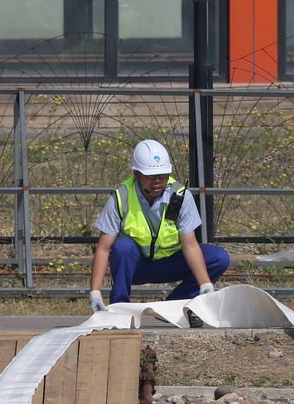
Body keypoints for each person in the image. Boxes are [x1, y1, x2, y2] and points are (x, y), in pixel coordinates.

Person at [88, 138, 229, 324]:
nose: (157, 181)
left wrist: (205, 286)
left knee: (218, 257)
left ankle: (178, 306)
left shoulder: (179, 196)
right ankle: (120, 311)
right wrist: (95, 292)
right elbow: (104, 248)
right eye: (150, 176)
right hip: (136, 266)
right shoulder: (122, 196)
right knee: (121, 246)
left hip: (171, 263)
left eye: (162, 175)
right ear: (136, 174)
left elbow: (190, 245)